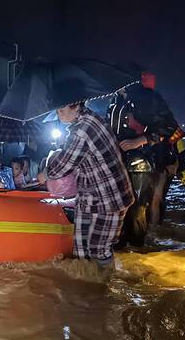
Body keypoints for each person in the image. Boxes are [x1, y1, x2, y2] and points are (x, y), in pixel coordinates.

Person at [38, 103, 134, 268]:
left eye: (62, 110)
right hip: (90, 195)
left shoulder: (82, 129)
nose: (59, 115)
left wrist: (45, 174)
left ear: (76, 106)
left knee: (98, 249)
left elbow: (65, 164)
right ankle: (87, 288)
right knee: (81, 249)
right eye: (57, 110)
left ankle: (107, 287)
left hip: (109, 198)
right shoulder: (91, 118)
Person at [108, 71, 185, 224]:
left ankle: (155, 232)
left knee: (155, 199)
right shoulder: (119, 102)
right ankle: (149, 233)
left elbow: (176, 135)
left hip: (162, 159)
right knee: (143, 201)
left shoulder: (150, 104)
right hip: (142, 159)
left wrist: (183, 166)